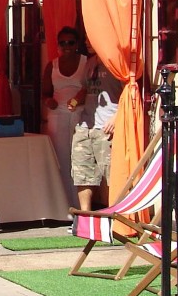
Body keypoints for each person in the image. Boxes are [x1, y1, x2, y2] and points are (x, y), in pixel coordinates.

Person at [72, 45, 122, 212]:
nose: (86, 41)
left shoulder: (116, 62)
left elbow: (130, 91)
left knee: (109, 174)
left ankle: (112, 214)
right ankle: (86, 215)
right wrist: (74, 101)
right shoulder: (90, 62)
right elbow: (85, 89)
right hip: (86, 125)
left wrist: (117, 117)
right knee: (82, 173)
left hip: (106, 127)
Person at [41, 27, 88, 202]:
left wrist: (78, 98)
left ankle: (80, 202)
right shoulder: (51, 66)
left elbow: (89, 88)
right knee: (60, 157)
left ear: (77, 44)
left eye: (71, 42)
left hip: (80, 113)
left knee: (80, 156)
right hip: (57, 115)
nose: (67, 46)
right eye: (63, 43)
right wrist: (49, 101)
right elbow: (45, 92)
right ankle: (63, 202)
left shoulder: (86, 63)